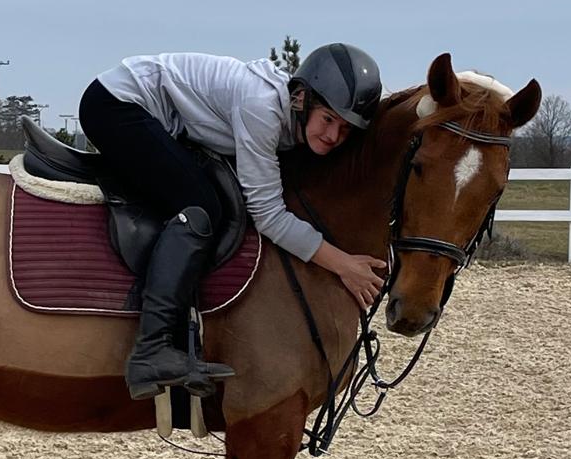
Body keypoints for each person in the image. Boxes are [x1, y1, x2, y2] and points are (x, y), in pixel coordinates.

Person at [78, 43, 386, 400]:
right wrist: (343, 264)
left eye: (345, 129)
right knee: (200, 206)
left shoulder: (289, 119)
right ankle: (151, 350)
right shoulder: (262, 109)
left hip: (151, 112)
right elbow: (269, 216)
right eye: (328, 119)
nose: (333, 136)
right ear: (301, 99)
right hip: (117, 105)